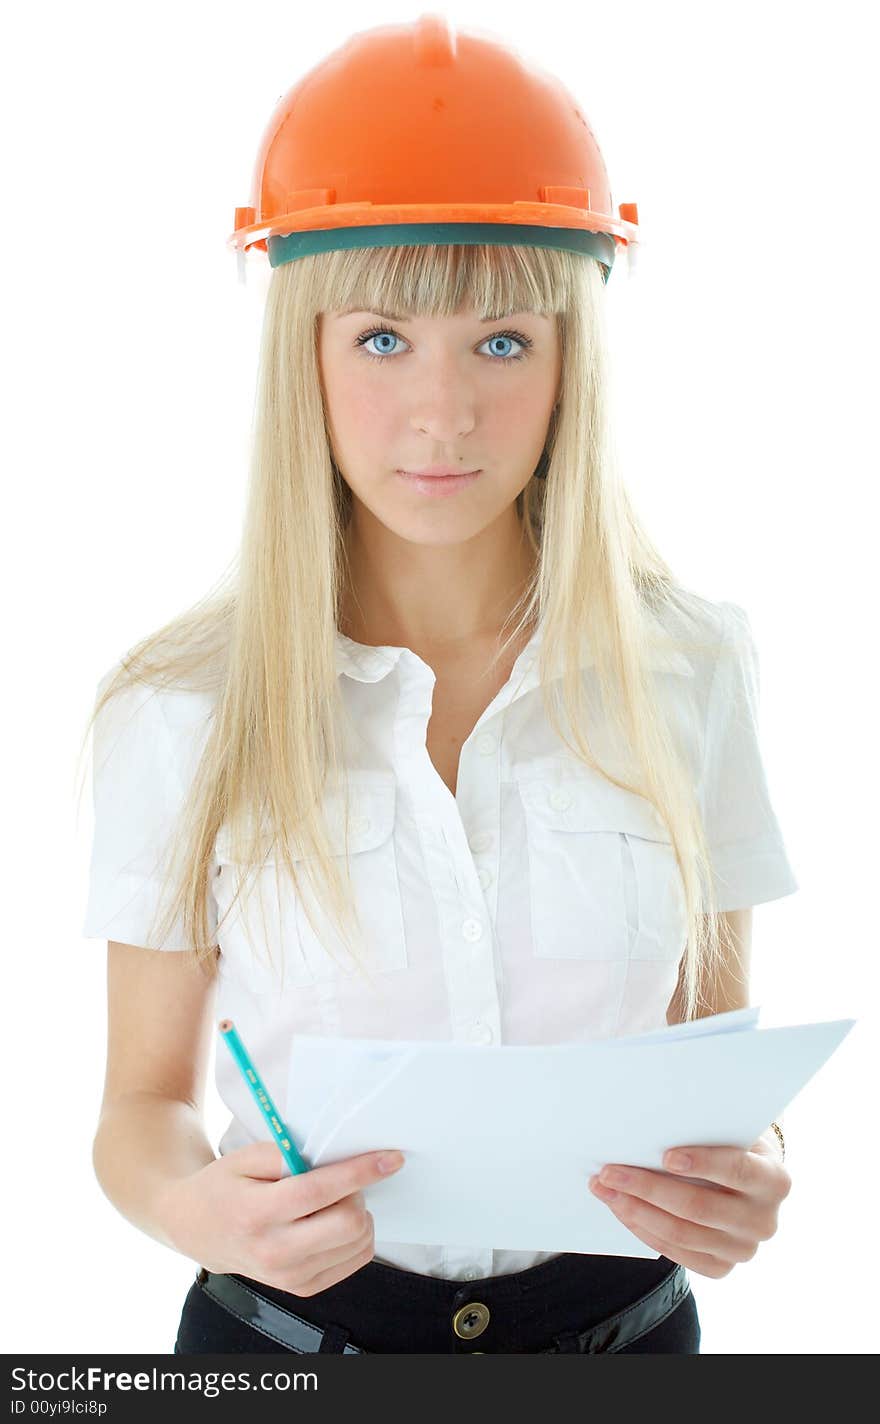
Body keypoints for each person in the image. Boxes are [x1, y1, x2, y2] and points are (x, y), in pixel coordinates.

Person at [79, 15, 796, 1355]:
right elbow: (139, 1110)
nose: (445, 413)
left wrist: (741, 1171)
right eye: (384, 338)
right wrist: (194, 1208)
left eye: (504, 342)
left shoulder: (692, 670)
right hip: (288, 1349)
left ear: (573, 353)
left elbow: (715, 1072)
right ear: (304, 347)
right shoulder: (179, 705)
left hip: (623, 1342)